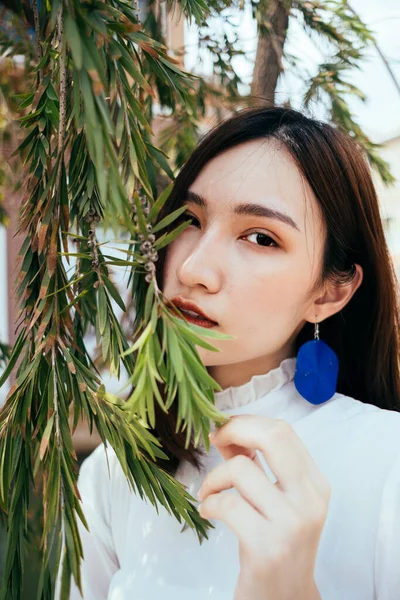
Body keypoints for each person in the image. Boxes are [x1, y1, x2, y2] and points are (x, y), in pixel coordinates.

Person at [64, 107, 400, 599]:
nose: (195, 268)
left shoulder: (387, 463)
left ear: (329, 293)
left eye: (261, 237)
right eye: (190, 220)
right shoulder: (114, 474)